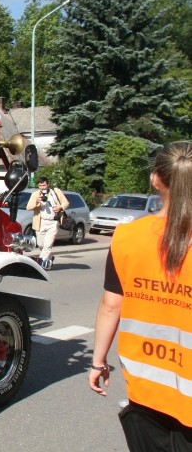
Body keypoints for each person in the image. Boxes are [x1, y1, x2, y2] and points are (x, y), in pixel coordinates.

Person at [88, 141, 191, 451]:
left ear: (155, 179)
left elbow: (111, 305)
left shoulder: (127, 237)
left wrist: (97, 362)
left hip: (146, 389)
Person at [25, 177, 69, 269]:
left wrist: (60, 207)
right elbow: (28, 207)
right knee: (41, 244)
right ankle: (49, 257)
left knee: (48, 245)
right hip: (41, 222)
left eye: (44, 185)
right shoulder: (35, 194)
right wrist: (37, 202)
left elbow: (66, 203)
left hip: (53, 222)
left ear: (48, 184)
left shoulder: (55, 192)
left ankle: (40, 264)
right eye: (40, 185)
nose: (42, 187)